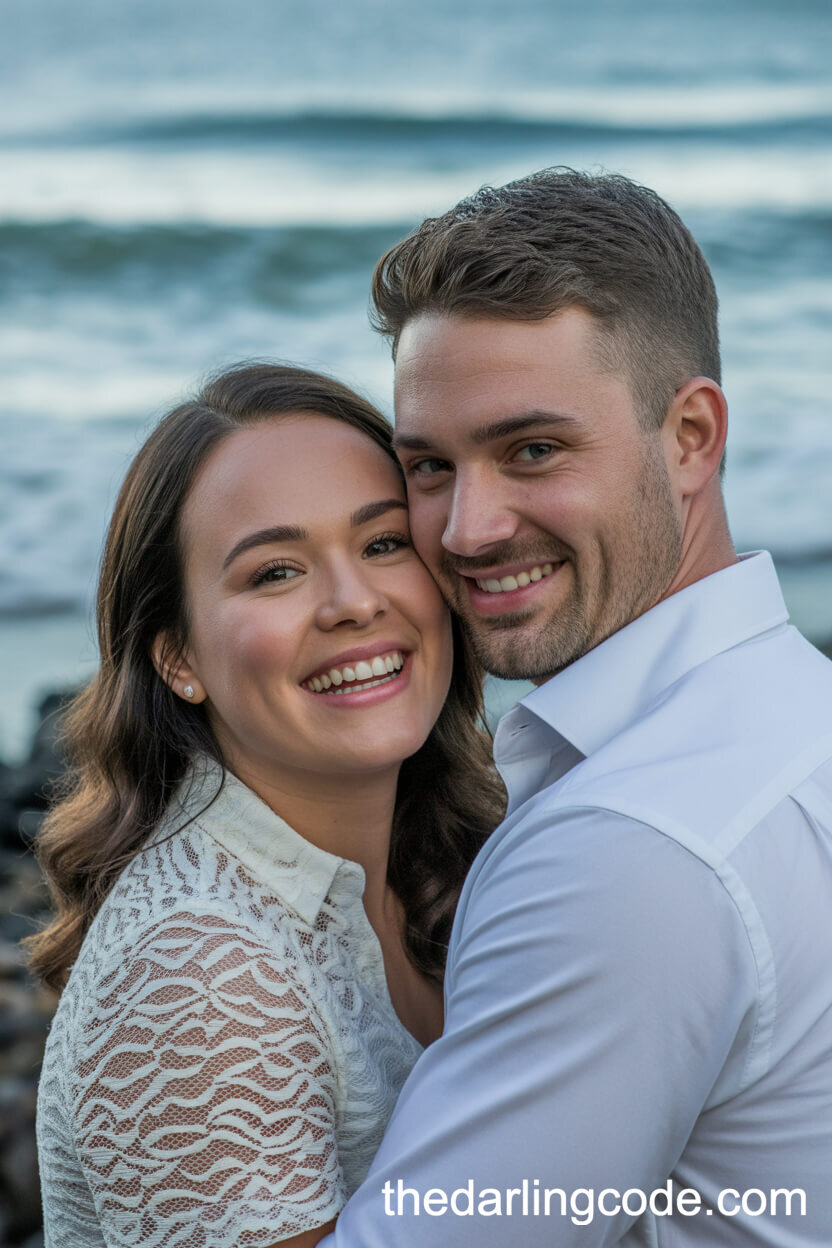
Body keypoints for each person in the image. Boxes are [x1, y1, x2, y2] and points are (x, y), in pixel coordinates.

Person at [316, 169, 832, 1245]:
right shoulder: (799, 713)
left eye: (533, 451)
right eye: (427, 466)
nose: (465, 529)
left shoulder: (631, 848)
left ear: (690, 436)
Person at [28, 363, 505, 1247]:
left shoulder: (455, 851)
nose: (355, 603)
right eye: (276, 572)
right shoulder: (199, 976)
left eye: (384, 543)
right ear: (179, 659)